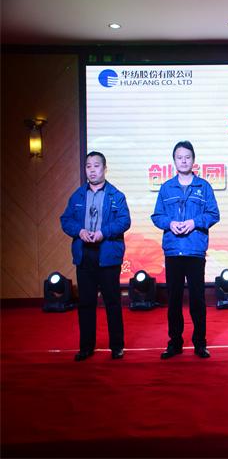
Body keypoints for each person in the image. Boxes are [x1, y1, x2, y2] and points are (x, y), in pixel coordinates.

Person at [151, 141, 220, 359]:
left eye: (187, 157)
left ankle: (200, 343)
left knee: (197, 300)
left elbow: (214, 214)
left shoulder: (204, 187)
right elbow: (157, 216)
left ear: (193, 160)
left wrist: (194, 222)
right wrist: (170, 223)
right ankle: (175, 343)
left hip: (195, 250)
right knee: (174, 300)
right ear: (174, 161)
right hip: (173, 251)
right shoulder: (166, 188)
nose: (183, 161)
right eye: (179, 157)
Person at [60, 151, 131, 361]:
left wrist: (103, 233)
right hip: (85, 255)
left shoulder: (116, 195)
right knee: (86, 303)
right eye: (88, 166)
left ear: (105, 169)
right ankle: (86, 347)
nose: (92, 170)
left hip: (108, 254)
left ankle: (117, 346)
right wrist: (79, 231)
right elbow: (66, 220)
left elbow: (124, 221)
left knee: (112, 302)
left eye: (96, 166)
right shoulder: (78, 195)